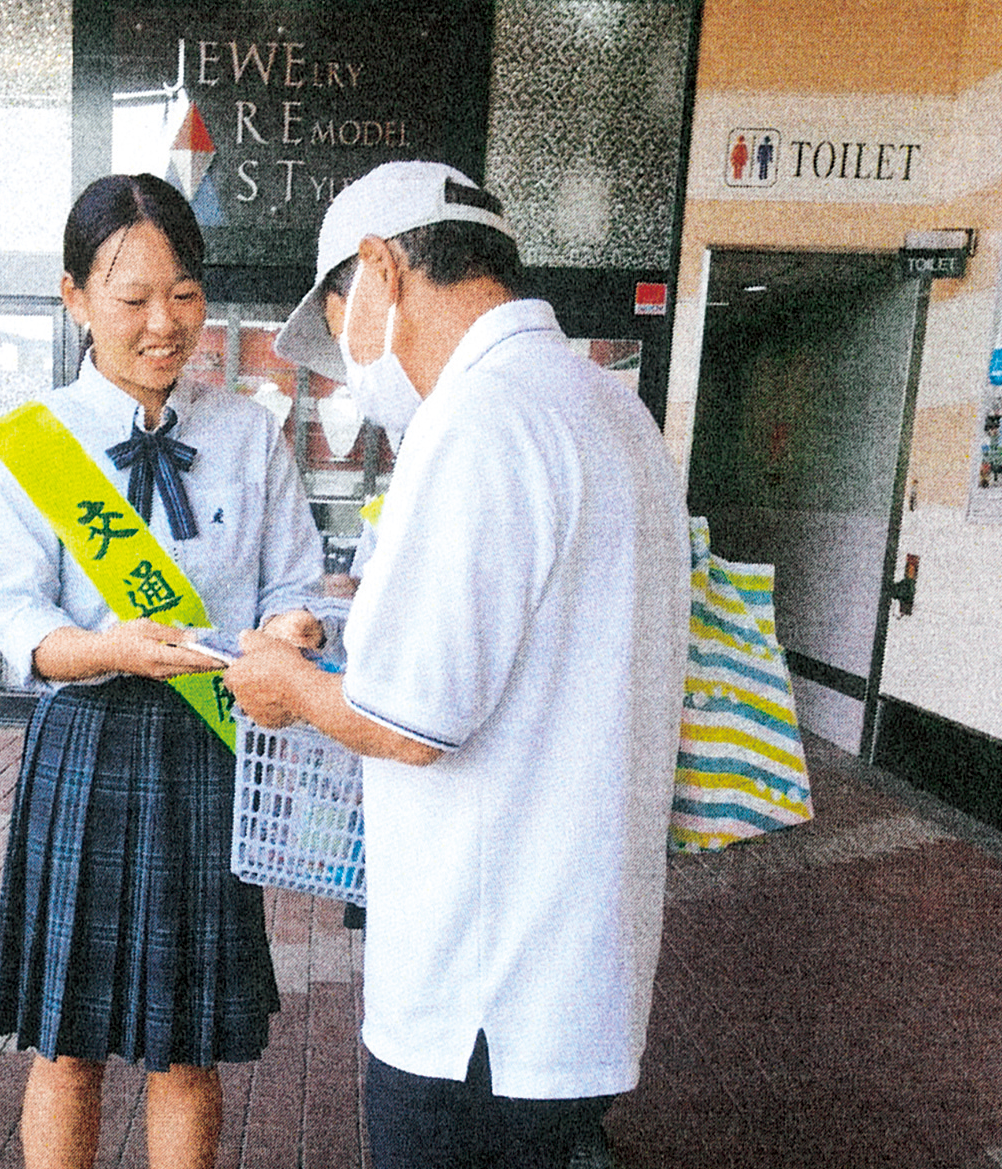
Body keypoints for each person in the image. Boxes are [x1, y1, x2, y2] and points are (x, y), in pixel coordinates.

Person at [223, 160, 689, 1169]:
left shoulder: (476, 420)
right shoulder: (609, 409)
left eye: (341, 320)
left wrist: (286, 682)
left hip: (480, 996)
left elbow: (412, 718)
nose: (351, 365)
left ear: (383, 268)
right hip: (578, 975)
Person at [0, 173, 322, 1169]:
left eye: (184, 294)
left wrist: (291, 625)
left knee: (186, 1049)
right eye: (131, 299)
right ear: (74, 297)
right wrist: (112, 647)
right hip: (85, 739)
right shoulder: (32, 444)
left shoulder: (249, 432)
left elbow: (291, 583)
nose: (164, 324)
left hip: (210, 746)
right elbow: (14, 615)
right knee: (66, 1042)